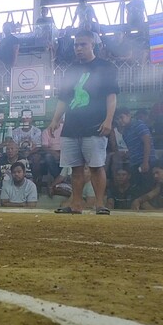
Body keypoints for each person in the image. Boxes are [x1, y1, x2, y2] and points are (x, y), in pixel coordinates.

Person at [47, 30, 118, 215]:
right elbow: (63, 98)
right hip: (71, 126)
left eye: (83, 44)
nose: (78, 48)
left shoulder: (106, 67)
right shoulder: (71, 70)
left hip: (95, 125)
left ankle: (100, 204)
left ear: (93, 44)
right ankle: (76, 204)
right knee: (75, 169)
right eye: (76, 45)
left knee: (96, 167)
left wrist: (109, 120)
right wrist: (55, 120)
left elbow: (111, 97)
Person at [112, 107, 156, 191]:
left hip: (146, 162)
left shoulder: (138, 125)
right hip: (134, 163)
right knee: (138, 189)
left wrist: (145, 162)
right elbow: (132, 148)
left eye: (121, 117)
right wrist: (126, 155)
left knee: (148, 188)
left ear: (129, 115)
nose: (120, 120)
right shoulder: (125, 132)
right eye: (117, 119)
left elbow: (147, 143)